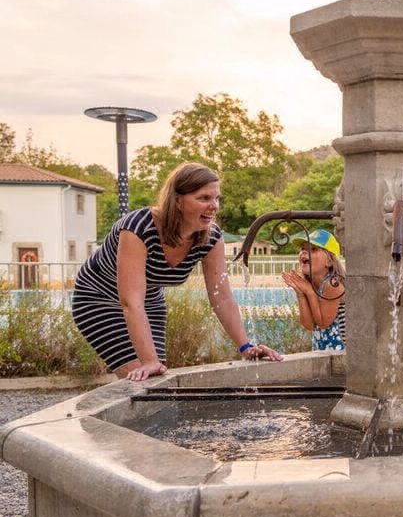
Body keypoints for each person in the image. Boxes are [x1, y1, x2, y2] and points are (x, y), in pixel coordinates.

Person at [72, 162, 282, 381]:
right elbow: (131, 302)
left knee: (157, 377)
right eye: (204, 198)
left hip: (150, 302)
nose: (214, 206)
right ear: (178, 201)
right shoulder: (138, 228)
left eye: (217, 198)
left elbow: (222, 298)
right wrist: (148, 360)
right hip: (98, 299)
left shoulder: (210, 237)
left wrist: (246, 347)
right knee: (143, 376)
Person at [281, 229, 346, 351]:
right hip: (325, 352)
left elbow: (322, 323)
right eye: (303, 249)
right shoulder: (311, 285)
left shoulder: (334, 284)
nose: (305, 252)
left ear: (330, 261)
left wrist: (309, 292)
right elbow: (309, 325)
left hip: (342, 353)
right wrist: (301, 293)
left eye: (313, 249)